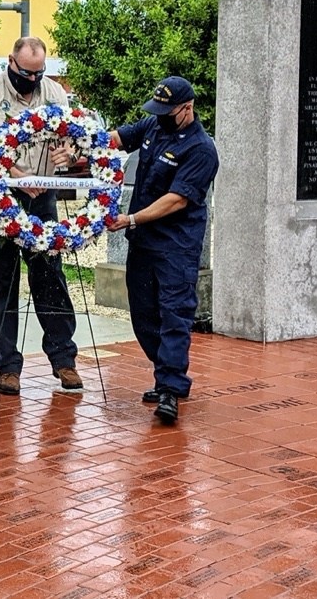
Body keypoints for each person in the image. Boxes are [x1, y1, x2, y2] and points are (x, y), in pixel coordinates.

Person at [0, 36, 82, 395]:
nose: (33, 81)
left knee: (50, 274)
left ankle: (64, 359)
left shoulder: (54, 93)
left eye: (39, 73)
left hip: (42, 196)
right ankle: (8, 366)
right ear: (11, 63)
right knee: (1, 279)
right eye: (26, 73)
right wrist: (17, 175)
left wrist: (68, 151)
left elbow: (70, 134)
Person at [105, 76, 219, 425]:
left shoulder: (201, 149)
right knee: (143, 314)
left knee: (174, 314)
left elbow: (176, 200)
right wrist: (77, 142)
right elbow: (117, 139)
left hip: (175, 246)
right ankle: (164, 373)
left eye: (169, 112)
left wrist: (132, 219)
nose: (162, 116)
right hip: (143, 243)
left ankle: (170, 388)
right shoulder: (155, 124)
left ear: (188, 108)